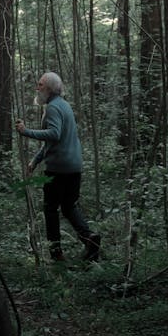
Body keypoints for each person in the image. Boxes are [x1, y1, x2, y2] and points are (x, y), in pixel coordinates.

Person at [16, 71, 101, 263]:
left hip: (59, 168)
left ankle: (56, 254)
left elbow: (54, 134)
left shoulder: (53, 108)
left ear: (50, 89)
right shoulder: (64, 105)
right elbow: (56, 142)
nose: (37, 88)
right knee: (69, 206)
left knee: (50, 209)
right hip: (74, 166)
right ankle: (90, 238)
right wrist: (35, 161)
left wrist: (26, 131)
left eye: (40, 85)